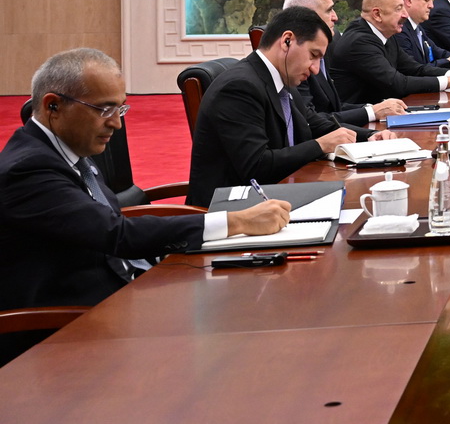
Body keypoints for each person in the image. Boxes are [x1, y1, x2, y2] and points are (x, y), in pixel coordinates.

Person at [0, 49, 289, 362]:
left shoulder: (69, 152)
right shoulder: (27, 170)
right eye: (104, 110)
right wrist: (237, 222)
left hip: (123, 295)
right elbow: (115, 235)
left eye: (119, 109)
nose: (117, 125)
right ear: (53, 106)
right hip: (70, 334)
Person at [187, 7, 397, 205]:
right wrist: (321, 145)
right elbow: (257, 167)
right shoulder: (239, 87)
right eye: (313, 56)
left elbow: (315, 124)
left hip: (275, 197)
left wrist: (369, 137)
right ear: (287, 41)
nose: (315, 69)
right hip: (235, 211)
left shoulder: (280, 80)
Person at [331, 0, 450, 105]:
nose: (405, 15)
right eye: (399, 9)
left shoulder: (386, 33)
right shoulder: (359, 41)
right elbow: (397, 83)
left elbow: (416, 69)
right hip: (358, 124)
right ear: (377, 14)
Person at [282, 0, 405, 127]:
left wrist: (374, 109)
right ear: (306, 16)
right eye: (329, 10)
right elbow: (310, 120)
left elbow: (333, 107)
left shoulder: (330, 43)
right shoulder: (292, 57)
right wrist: (371, 113)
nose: (335, 17)